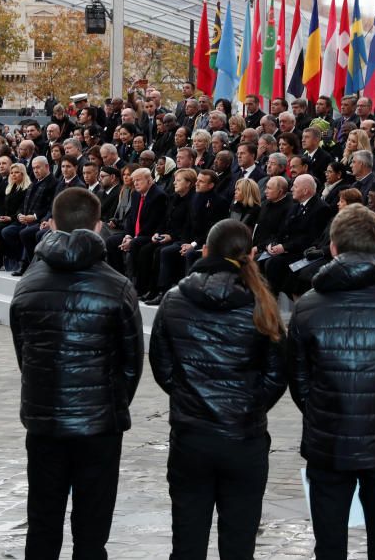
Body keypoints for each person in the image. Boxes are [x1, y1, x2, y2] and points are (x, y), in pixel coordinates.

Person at [9, 187, 143, 560]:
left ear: (52, 224)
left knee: (43, 522)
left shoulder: (28, 285)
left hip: (46, 418)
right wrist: (111, 401)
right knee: (92, 529)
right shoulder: (117, 286)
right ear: (98, 226)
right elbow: (132, 362)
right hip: (98, 422)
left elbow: (25, 354)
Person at [288, 204, 375, 560]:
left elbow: (300, 382)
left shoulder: (307, 307)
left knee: (330, 547)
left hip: (329, 440)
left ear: (333, 247)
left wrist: (324, 410)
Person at [149, 219, 286, 559]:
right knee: (238, 545)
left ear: (206, 250)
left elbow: (163, 366)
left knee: (187, 541)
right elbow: (276, 372)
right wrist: (248, 406)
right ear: (252, 254)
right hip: (242, 437)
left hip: (193, 435)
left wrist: (189, 397)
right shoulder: (260, 303)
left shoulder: (176, 298)